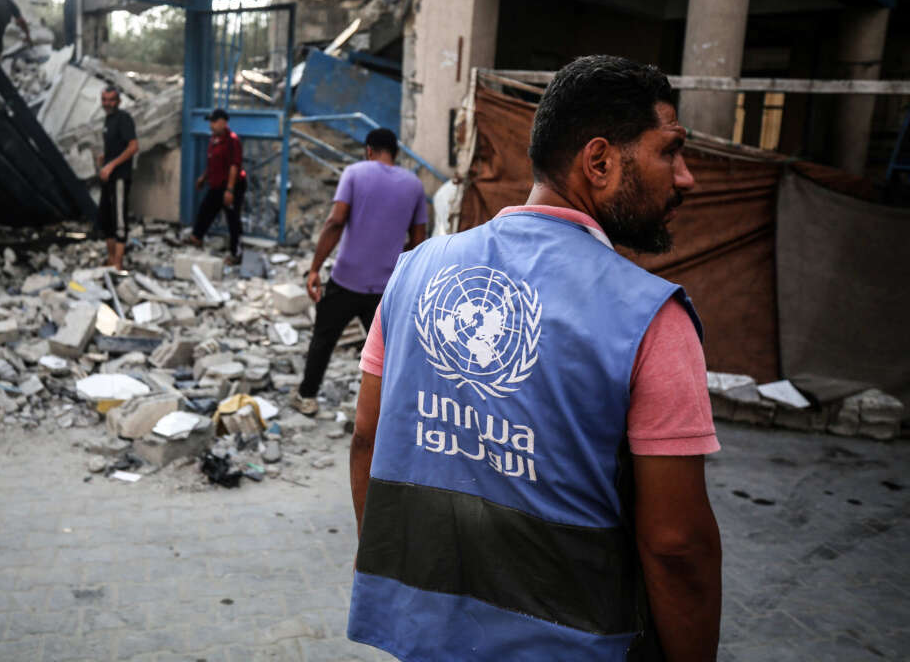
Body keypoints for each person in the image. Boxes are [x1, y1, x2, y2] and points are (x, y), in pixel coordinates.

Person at [347, 55, 721, 661]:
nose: (685, 178)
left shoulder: (415, 271)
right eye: (669, 151)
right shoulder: (652, 318)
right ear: (599, 162)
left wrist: (407, 589)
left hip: (423, 636)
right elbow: (677, 548)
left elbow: (367, 440)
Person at [290, 128, 428, 418]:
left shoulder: (354, 173)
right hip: (385, 286)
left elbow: (335, 222)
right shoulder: (414, 185)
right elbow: (418, 240)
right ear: (395, 153)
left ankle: (307, 396)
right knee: (387, 352)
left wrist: (314, 268)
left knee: (323, 340)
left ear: (368, 150)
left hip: (345, 279)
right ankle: (391, 410)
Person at [187, 108, 247, 264]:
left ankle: (236, 253)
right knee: (205, 210)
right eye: (211, 122)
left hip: (231, 185)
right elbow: (213, 162)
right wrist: (203, 178)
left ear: (223, 122)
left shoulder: (232, 140)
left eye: (214, 122)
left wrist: (230, 190)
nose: (211, 125)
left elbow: (234, 166)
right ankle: (196, 237)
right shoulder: (214, 139)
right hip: (216, 184)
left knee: (232, 219)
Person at [96, 86, 138, 272]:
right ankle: (111, 258)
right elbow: (115, 147)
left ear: (119, 101)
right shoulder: (108, 120)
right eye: (104, 100)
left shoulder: (124, 119)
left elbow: (133, 146)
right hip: (107, 177)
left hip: (119, 176)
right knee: (106, 218)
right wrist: (104, 159)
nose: (107, 103)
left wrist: (112, 165)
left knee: (119, 219)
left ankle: (118, 262)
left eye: (111, 99)